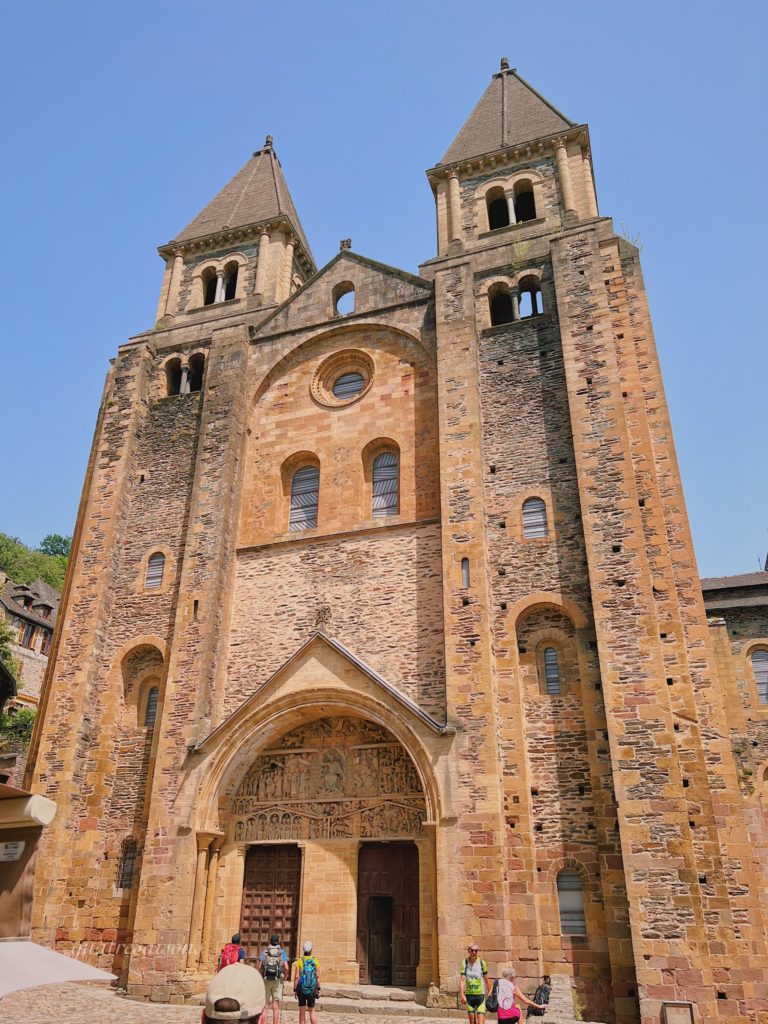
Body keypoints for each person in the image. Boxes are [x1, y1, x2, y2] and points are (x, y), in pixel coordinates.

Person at [259, 932, 289, 1024]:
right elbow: (286, 967)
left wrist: (261, 975)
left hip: (266, 979)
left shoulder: (266, 950)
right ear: (278, 942)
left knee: (265, 1006)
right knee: (275, 1006)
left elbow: (260, 965)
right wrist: (285, 976)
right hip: (277, 980)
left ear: (270, 941)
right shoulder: (281, 951)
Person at [460, 943, 490, 1024]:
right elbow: (462, 979)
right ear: (468, 951)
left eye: (476, 950)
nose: (474, 952)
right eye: (472, 950)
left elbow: (486, 980)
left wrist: (490, 994)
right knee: (472, 1022)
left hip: (480, 995)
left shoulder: (481, 963)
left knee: (480, 1022)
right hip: (470, 995)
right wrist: (462, 994)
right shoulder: (464, 963)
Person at [293, 940, 321, 1024]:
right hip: (312, 988)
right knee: (312, 1010)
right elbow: (318, 976)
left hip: (301, 988)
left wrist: (295, 989)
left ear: (303, 950)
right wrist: (318, 988)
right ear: (311, 950)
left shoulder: (299, 961)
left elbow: (297, 977)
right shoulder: (315, 961)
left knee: (302, 1011)